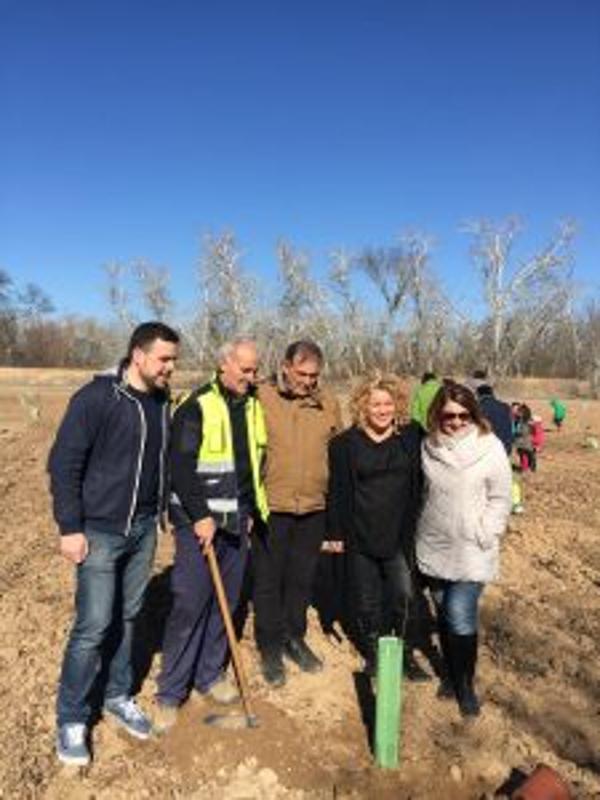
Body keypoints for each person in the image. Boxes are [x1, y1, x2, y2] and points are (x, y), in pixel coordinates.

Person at [48, 321, 180, 765]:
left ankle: (118, 695)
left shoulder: (162, 403)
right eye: (164, 359)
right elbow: (64, 463)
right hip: (100, 531)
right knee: (92, 626)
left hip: (143, 528)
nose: (171, 368)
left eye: (173, 360)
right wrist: (70, 527)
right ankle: (71, 717)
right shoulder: (97, 398)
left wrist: (162, 512)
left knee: (128, 616)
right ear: (138, 355)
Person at [154, 337, 268, 730]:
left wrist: (250, 509)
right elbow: (180, 466)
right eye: (246, 370)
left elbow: (254, 462)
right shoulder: (197, 404)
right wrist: (200, 515)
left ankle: (209, 675)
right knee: (191, 602)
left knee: (228, 604)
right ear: (224, 365)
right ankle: (170, 691)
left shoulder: (253, 406)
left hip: (237, 521)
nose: (252, 378)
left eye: (255, 371)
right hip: (198, 524)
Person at [416, 382, 511, 717]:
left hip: (473, 548)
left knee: (460, 613)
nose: (456, 422)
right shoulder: (428, 445)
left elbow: (502, 496)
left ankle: (465, 684)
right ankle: (450, 674)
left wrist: (487, 531)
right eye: (448, 415)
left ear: (473, 413)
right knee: (442, 611)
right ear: (437, 415)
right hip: (435, 544)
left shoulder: (491, 447)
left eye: (463, 414)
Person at [327, 374, 429, 682]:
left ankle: (403, 653)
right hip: (360, 533)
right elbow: (337, 491)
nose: (382, 410)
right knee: (366, 600)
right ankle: (374, 654)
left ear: (396, 404)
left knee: (404, 596)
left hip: (399, 534)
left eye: (387, 403)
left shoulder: (412, 436)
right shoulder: (345, 444)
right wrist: (334, 534)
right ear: (362, 406)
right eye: (375, 404)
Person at [253, 340, 342, 687]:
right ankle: (270, 647)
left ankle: (295, 638)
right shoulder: (261, 397)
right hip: (272, 505)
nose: (307, 381)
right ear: (286, 366)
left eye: (314, 375)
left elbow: (338, 450)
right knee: (268, 579)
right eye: (301, 373)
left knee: (301, 578)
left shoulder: (328, 403)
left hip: (314, 506)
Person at [471, 371, 513, 455]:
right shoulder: (505, 406)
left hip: (487, 449)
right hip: (505, 446)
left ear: (478, 394)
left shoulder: (478, 408)